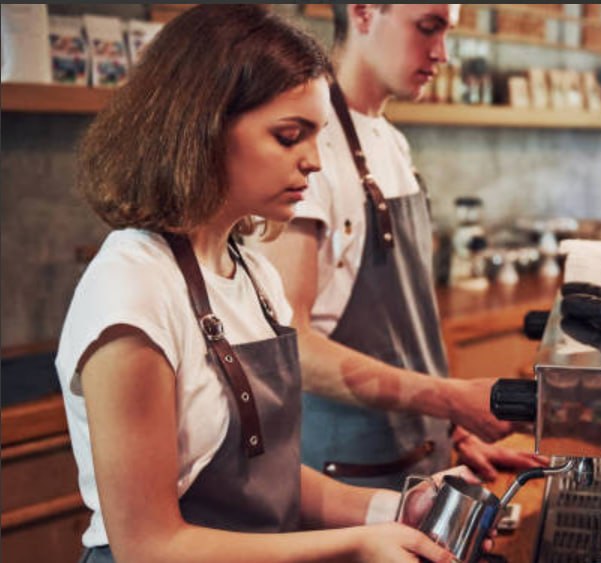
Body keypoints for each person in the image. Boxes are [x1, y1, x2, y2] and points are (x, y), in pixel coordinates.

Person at [57, 5, 479, 562]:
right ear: (201, 127)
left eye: (316, 136)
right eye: (288, 136)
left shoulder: (253, 274)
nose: (313, 162)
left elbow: (270, 481)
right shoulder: (132, 292)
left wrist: (394, 511)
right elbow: (150, 545)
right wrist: (357, 545)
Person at [252, 4, 544, 490]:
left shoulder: (391, 143)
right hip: (347, 477)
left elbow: (405, 330)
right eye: (428, 27)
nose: (443, 53)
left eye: (447, 32)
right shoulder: (310, 151)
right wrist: (450, 398)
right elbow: (290, 345)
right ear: (363, 13)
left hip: (418, 457)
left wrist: (452, 431)